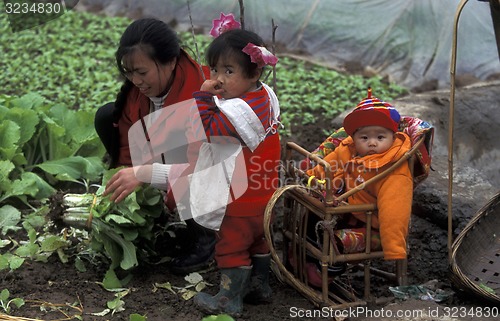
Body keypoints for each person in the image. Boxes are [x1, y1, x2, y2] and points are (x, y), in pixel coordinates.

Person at [94, 17, 217, 275]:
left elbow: (201, 169)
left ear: (171, 62)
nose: (135, 80)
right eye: (128, 72)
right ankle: (156, 209)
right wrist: (130, 191)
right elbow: (128, 142)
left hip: (221, 177)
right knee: (107, 116)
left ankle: (206, 235)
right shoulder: (136, 94)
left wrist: (145, 174)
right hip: (172, 162)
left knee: (178, 148)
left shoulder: (203, 96)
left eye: (142, 72)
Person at [189, 28, 281, 317]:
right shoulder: (263, 97)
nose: (218, 78)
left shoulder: (238, 113)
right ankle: (259, 287)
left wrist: (203, 98)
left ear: (254, 73)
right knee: (258, 239)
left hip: (239, 198)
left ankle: (229, 299)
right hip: (265, 194)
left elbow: (211, 131)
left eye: (229, 71)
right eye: (215, 69)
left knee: (231, 245)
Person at [306, 89, 413, 261]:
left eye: (380, 137)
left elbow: (395, 211)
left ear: (393, 137)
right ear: (354, 138)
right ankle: (305, 257)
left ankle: (324, 273)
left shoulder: (394, 169)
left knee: (334, 241)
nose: (372, 142)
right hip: (345, 209)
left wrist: (394, 248)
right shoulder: (348, 150)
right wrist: (308, 177)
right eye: (364, 138)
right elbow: (327, 168)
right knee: (309, 216)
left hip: (371, 224)